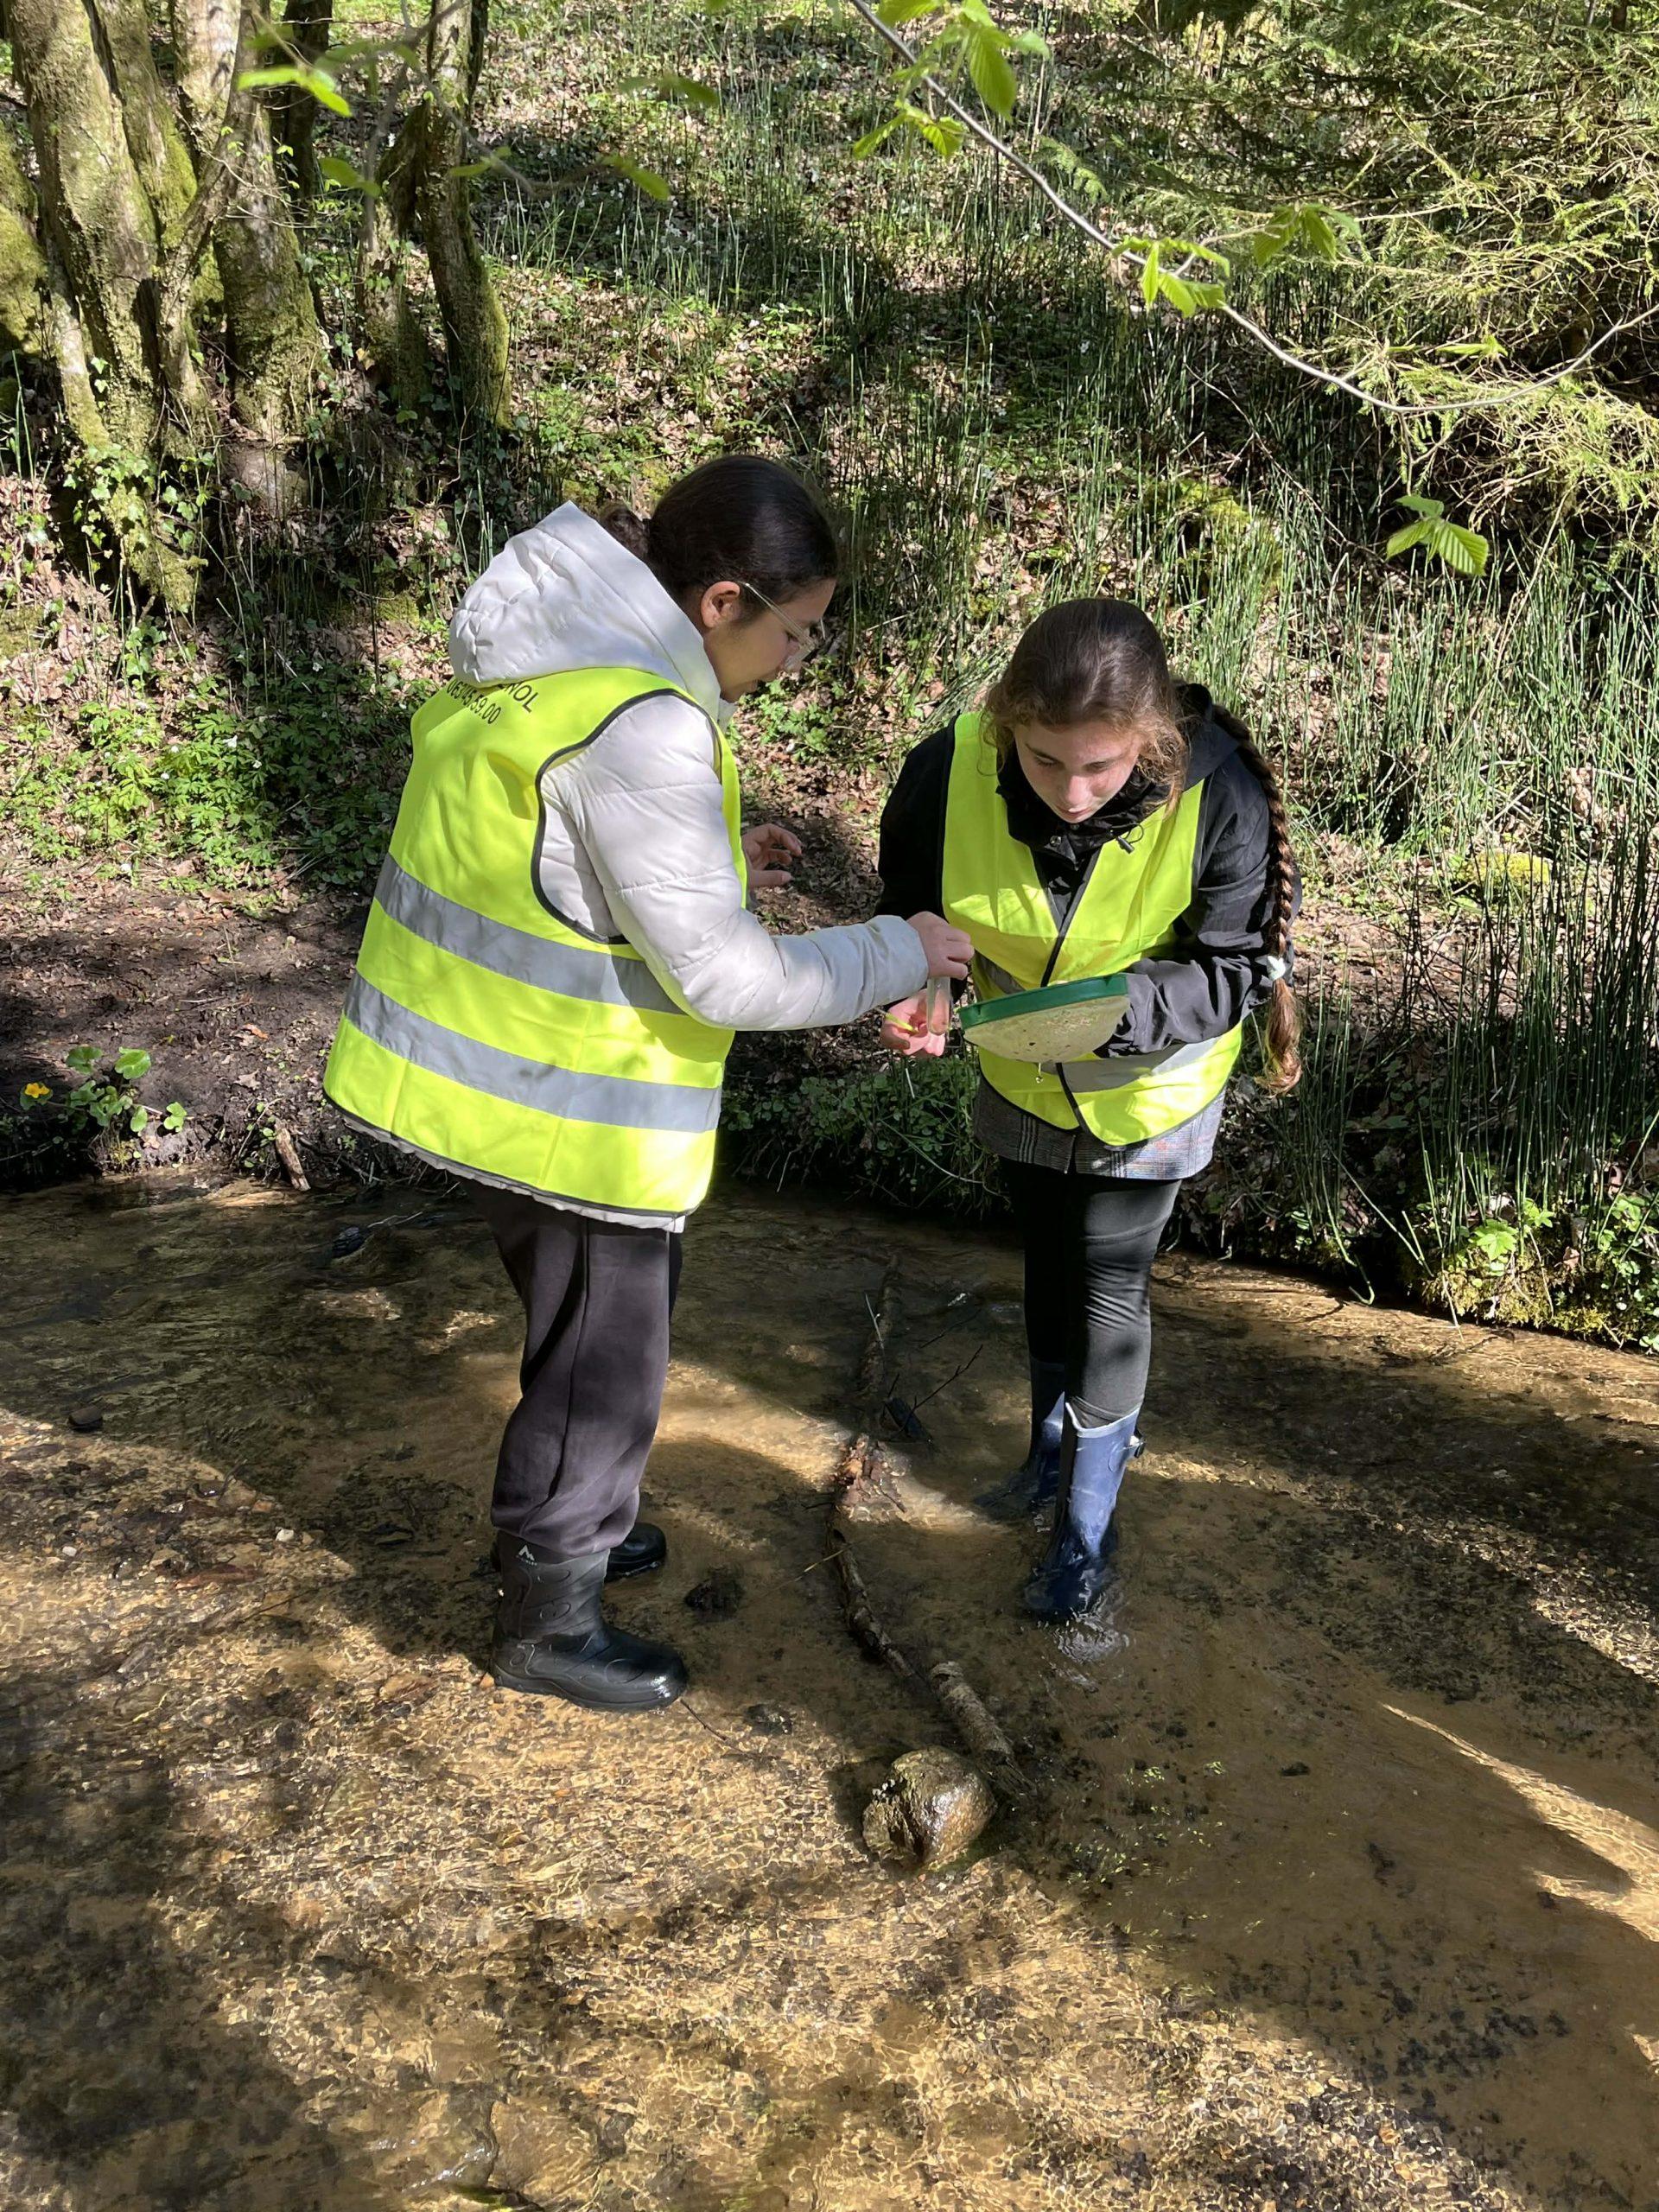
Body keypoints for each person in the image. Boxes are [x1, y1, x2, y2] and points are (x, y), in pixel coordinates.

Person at [325, 455, 970, 1713]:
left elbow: (555, 856)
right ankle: (548, 1615)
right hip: (580, 1110)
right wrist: (902, 949)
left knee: (577, 1333)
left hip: (491, 1076)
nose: (796, 660)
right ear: (723, 602)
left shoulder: (559, 664)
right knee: (603, 1365)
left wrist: (715, 860)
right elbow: (726, 980)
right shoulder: (650, 723)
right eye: (797, 632)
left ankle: (570, 1527)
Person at [875, 597, 1300, 1622]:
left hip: (1151, 1086)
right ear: (1007, 722)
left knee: (1110, 1288)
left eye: (1102, 767)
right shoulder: (946, 769)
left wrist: (1108, 1016)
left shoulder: (1220, 792)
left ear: (1150, 740)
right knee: (1047, 1262)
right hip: (1020, 1070)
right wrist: (918, 984)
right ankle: (1043, 1463)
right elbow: (908, 906)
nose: (1071, 793)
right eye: (1044, 760)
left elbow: (1233, 971)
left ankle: (1084, 1535)